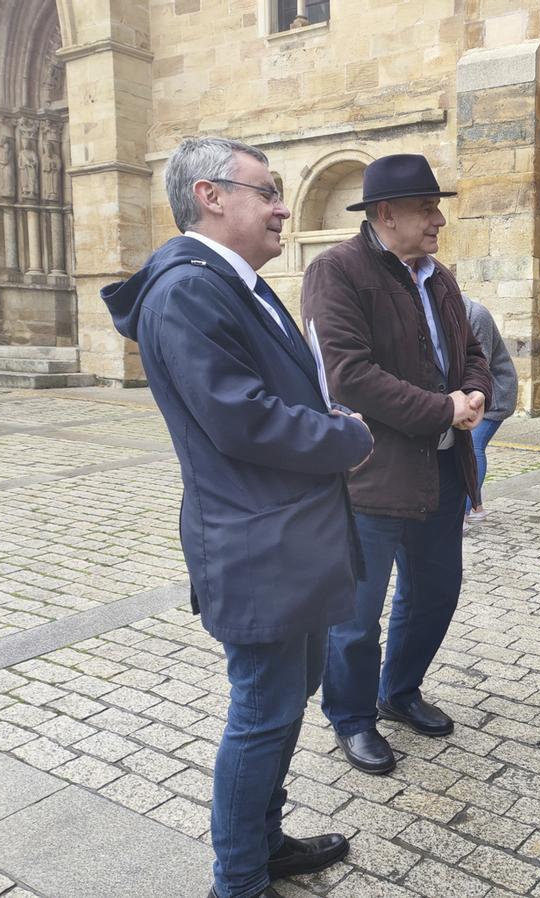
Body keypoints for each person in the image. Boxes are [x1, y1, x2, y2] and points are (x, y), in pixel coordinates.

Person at [101, 136, 372, 898]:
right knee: (262, 711)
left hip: (291, 538)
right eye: (268, 190)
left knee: (284, 703)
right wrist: (346, 436)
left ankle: (264, 841)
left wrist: (327, 415)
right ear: (211, 197)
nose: (284, 205)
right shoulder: (189, 289)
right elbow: (242, 419)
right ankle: (239, 880)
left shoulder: (233, 281)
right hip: (260, 545)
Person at [301, 154, 492, 775]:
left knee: (436, 592)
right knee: (357, 614)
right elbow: (349, 376)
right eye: (426, 209)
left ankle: (398, 691)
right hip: (371, 475)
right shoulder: (337, 271)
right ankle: (352, 719)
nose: (439, 219)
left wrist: (476, 394)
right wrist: (444, 408)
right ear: (386, 214)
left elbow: (471, 352)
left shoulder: (442, 278)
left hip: (442, 469)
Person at [462, 294, 519, 529]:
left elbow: (479, 364)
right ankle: (477, 507)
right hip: (470, 395)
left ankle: (462, 513)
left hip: (495, 394)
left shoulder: (476, 314)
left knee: (473, 447)